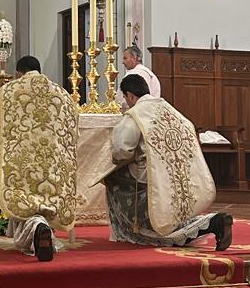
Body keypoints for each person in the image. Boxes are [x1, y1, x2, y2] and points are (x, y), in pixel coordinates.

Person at [96, 74, 232, 250]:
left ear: (130, 95)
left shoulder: (136, 115)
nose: (126, 102)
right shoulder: (171, 110)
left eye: (125, 97)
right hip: (179, 180)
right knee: (175, 221)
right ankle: (211, 221)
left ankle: (133, 227)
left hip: (150, 184)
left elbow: (121, 149)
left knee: (112, 178)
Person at [0, 55, 78, 261]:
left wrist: (6, 151)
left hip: (22, 160)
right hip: (53, 160)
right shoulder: (62, 94)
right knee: (47, 194)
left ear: (19, 73)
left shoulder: (9, 91)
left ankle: (35, 229)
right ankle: (45, 230)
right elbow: (72, 132)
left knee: (25, 197)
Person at [118, 44, 160, 109]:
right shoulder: (148, 72)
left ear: (134, 58)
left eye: (125, 58)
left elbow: (133, 98)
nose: (123, 62)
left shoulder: (136, 73)